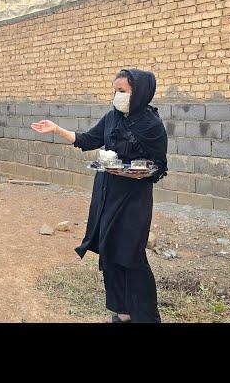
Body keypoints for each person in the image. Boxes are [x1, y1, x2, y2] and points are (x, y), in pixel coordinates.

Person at [31, 68, 168, 323]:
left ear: (138, 93)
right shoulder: (112, 117)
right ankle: (123, 313)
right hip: (106, 194)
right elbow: (88, 139)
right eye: (115, 90)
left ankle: (147, 317)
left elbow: (158, 164)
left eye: (122, 91)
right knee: (110, 250)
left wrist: (141, 172)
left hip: (133, 200)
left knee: (131, 255)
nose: (117, 96)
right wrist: (57, 129)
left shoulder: (152, 125)